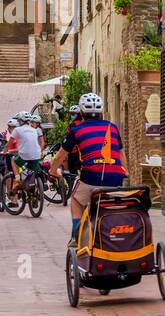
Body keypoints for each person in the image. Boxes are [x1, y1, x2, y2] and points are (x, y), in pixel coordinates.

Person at [50, 92, 125, 245]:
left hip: (90, 176)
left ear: (81, 112)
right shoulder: (113, 127)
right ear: (101, 111)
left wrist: (52, 171)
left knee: (76, 200)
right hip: (115, 177)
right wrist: (125, 170)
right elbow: (121, 153)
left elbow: (60, 156)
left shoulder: (76, 130)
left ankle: (76, 237)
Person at [10, 112, 45, 196]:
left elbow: (41, 143)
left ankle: (20, 183)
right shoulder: (31, 130)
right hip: (34, 153)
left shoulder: (36, 130)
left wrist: (39, 151)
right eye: (31, 122)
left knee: (24, 168)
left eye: (34, 122)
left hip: (32, 154)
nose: (32, 124)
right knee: (30, 171)